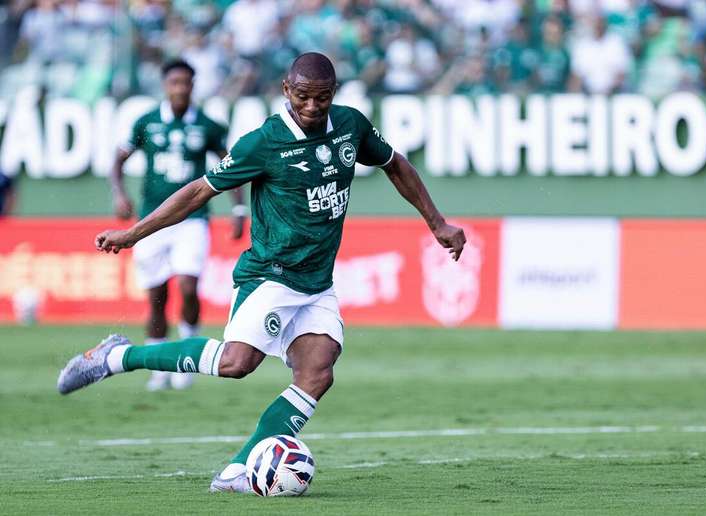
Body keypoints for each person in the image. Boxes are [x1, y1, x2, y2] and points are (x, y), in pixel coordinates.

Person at [57, 52, 466, 493]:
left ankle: (236, 469)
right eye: (304, 97)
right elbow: (198, 191)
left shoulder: (352, 126)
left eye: (323, 98)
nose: (312, 107)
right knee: (236, 363)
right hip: (270, 274)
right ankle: (118, 357)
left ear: (334, 95)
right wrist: (134, 233)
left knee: (318, 372)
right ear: (287, 91)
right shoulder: (265, 142)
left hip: (316, 282)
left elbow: (396, 165)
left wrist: (437, 222)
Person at [110, 58, 245, 391]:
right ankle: (159, 366)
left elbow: (233, 166)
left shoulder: (209, 126)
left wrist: (239, 209)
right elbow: (118, 160)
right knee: (157, 294)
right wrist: (119, 194)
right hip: (152, 221)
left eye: (186, 82)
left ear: (193, 86)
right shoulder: (147, 122)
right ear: (165, 85)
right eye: (175, 82)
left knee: (187, 286)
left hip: (192, 219)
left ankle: (188, 356)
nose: (181, 88)